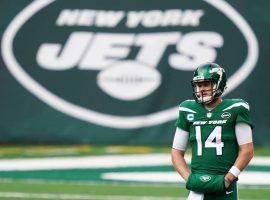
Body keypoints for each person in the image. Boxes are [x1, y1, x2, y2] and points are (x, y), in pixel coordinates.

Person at [171, 63, 254, 200]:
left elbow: (247, 150)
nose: (202, 89)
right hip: (197, 186)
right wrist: (189, 179)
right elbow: (176, 152)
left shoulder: (236, 108)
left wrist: (229, 178)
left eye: (206, 84)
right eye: (199, 85)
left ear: (220, 85)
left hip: (225, 183)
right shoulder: (187, 109)